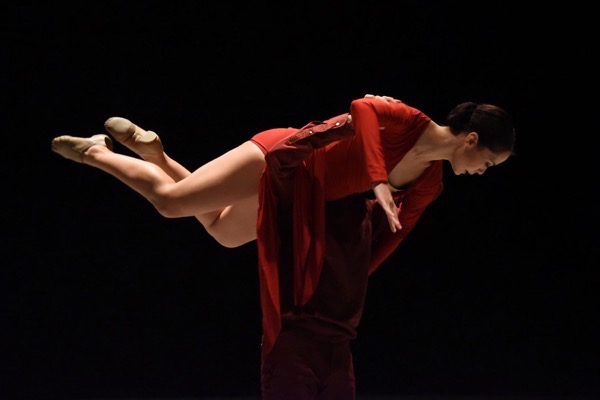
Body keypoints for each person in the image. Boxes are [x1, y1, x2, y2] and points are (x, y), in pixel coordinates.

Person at [51, 95, 515, 398]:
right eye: (489, 162)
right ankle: (99, 152)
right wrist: (377, 179)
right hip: (286, 158)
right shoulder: (408, 120)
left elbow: (394, 236)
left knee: (222, 231)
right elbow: (361, 108)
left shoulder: (430, 182)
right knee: (173, 203)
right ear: (471, 140)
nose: (483, 171)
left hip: (302, 195)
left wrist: (345, 279)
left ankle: (156, 154)